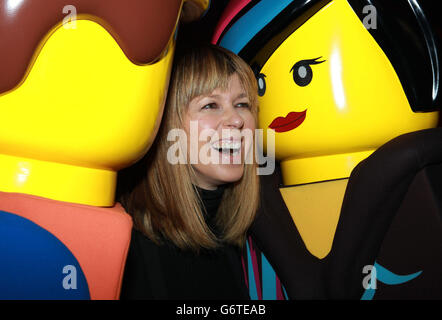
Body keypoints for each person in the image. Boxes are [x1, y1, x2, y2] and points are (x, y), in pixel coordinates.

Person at [118, 45, 260, 299]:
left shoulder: (239, 241)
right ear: (168, 125)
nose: (237, 120)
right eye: (210, 105)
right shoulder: (129, 247)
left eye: (242, 104)